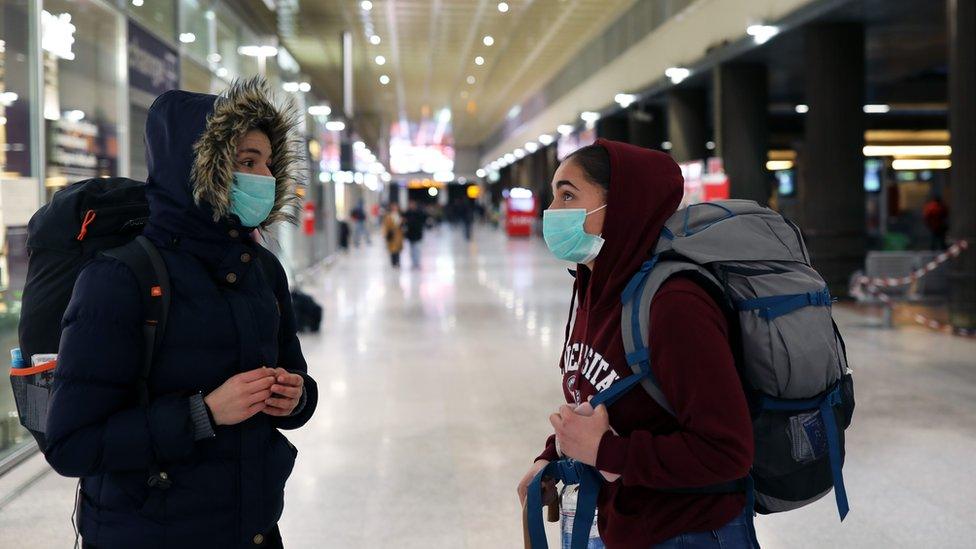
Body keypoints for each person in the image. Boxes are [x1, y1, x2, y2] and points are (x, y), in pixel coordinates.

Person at [44, 78, 318, 548]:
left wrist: (296, 399)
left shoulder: (262, 270)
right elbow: (73, 444)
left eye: (269, 164)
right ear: (198, 168)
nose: (265, 178)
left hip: (249, 528)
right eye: (247, 162)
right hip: (147, 533)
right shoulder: (119, 279)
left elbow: (295, 379)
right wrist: (203, 413)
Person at [516, 140, 755, 548]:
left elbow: (727, 451)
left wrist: (608, 453)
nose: (552, 211)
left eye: (568, 195)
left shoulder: (674, 304)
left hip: (689, 532)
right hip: (623, 522)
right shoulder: (598, 288)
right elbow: (603, 398)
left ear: (622, 206)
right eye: (554, 194)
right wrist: (553, 455)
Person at [403, 200, 427, 269]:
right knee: (412, 250)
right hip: (411, 234)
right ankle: (413, 263)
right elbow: (404, 222)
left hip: (417, 234)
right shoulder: (407, 213)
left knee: (417, 249)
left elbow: (423, 220)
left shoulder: (419, 213)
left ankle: (417, 263)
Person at [382, 203, 405, 268]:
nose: (395, 209)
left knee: (398, 249)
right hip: (391, 235)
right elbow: (385, 226)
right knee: (392, 249)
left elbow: (402, 225)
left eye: (396, 207)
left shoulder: (400, 216)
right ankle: (393, 262)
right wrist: (385, 234)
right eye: (393, 208)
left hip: (398, 235)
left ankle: (398, 261)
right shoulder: (388, 216)